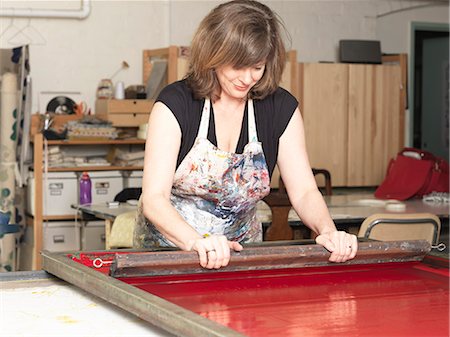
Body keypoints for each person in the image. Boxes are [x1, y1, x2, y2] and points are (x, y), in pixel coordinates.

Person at [135, 0, 358, 269]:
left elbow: (305, 191)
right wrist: (196, 242)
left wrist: (328, 231)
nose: (247, 78)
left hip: (242, 258)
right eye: (237, 66)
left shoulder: (280, 109)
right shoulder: (176, 104)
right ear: (213, 54)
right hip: (169, 255)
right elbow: (153, 199)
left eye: (257, 67)